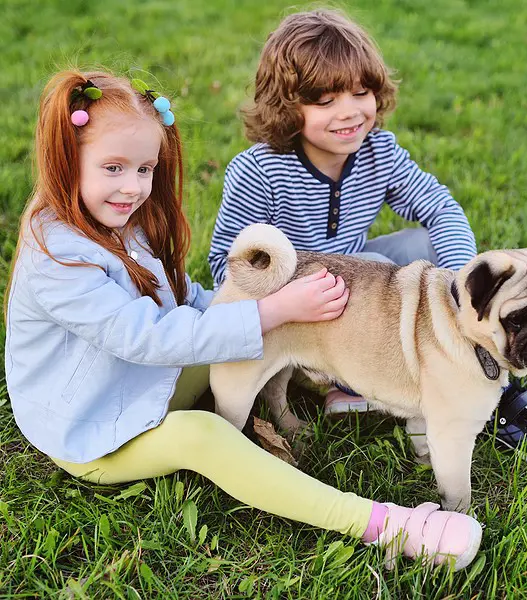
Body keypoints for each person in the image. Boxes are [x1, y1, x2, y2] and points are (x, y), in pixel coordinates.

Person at [3, 68, 483, 572]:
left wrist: (268, 306)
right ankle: (388, 526)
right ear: (65, 160)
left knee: (250, 331)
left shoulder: (119, 223)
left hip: (142, 381)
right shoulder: (58, 259)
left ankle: (292, 392)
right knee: (203, 438)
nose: (134, 187)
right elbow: (145, 337)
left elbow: (185, 301)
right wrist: (271, 310)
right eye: (114, 168)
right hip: (93, 429)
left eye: (145, 169)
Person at [208, 9, 527, 461]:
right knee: (376, 271)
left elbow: (439, 207)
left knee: (424, 248)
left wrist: (461, 299)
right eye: (325, 100)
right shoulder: (258, 170)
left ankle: (526, 341)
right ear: (287, 106)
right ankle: (389, 387)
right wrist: (292, 297)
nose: (349, 112)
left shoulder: (378, 150)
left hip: (358, 296)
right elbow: (228, 268)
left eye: (361, 93)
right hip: (294, 311)